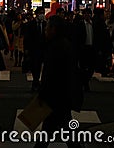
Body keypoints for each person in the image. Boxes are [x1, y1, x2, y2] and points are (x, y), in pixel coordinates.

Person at [34, 15, 83, 147]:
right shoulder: (65, 45)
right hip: (61, 97)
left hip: (56, 97)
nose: (45, 30)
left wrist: (42, 93)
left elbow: (50, 74)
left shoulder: (56, 47)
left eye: (47, 27)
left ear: (54, 29)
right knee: (59, 131)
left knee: (52, 131)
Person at [23, 6, 47, 91]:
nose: (41, 15)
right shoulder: (31, 24)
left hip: (43, 49)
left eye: (43, 13)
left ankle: (37, 82)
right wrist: (26, 49)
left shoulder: (46, 24)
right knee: (34, 66)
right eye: (40, 13)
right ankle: (36, 82)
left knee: (42, 67)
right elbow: (27, 38)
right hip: (33, 49)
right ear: (36, 14)